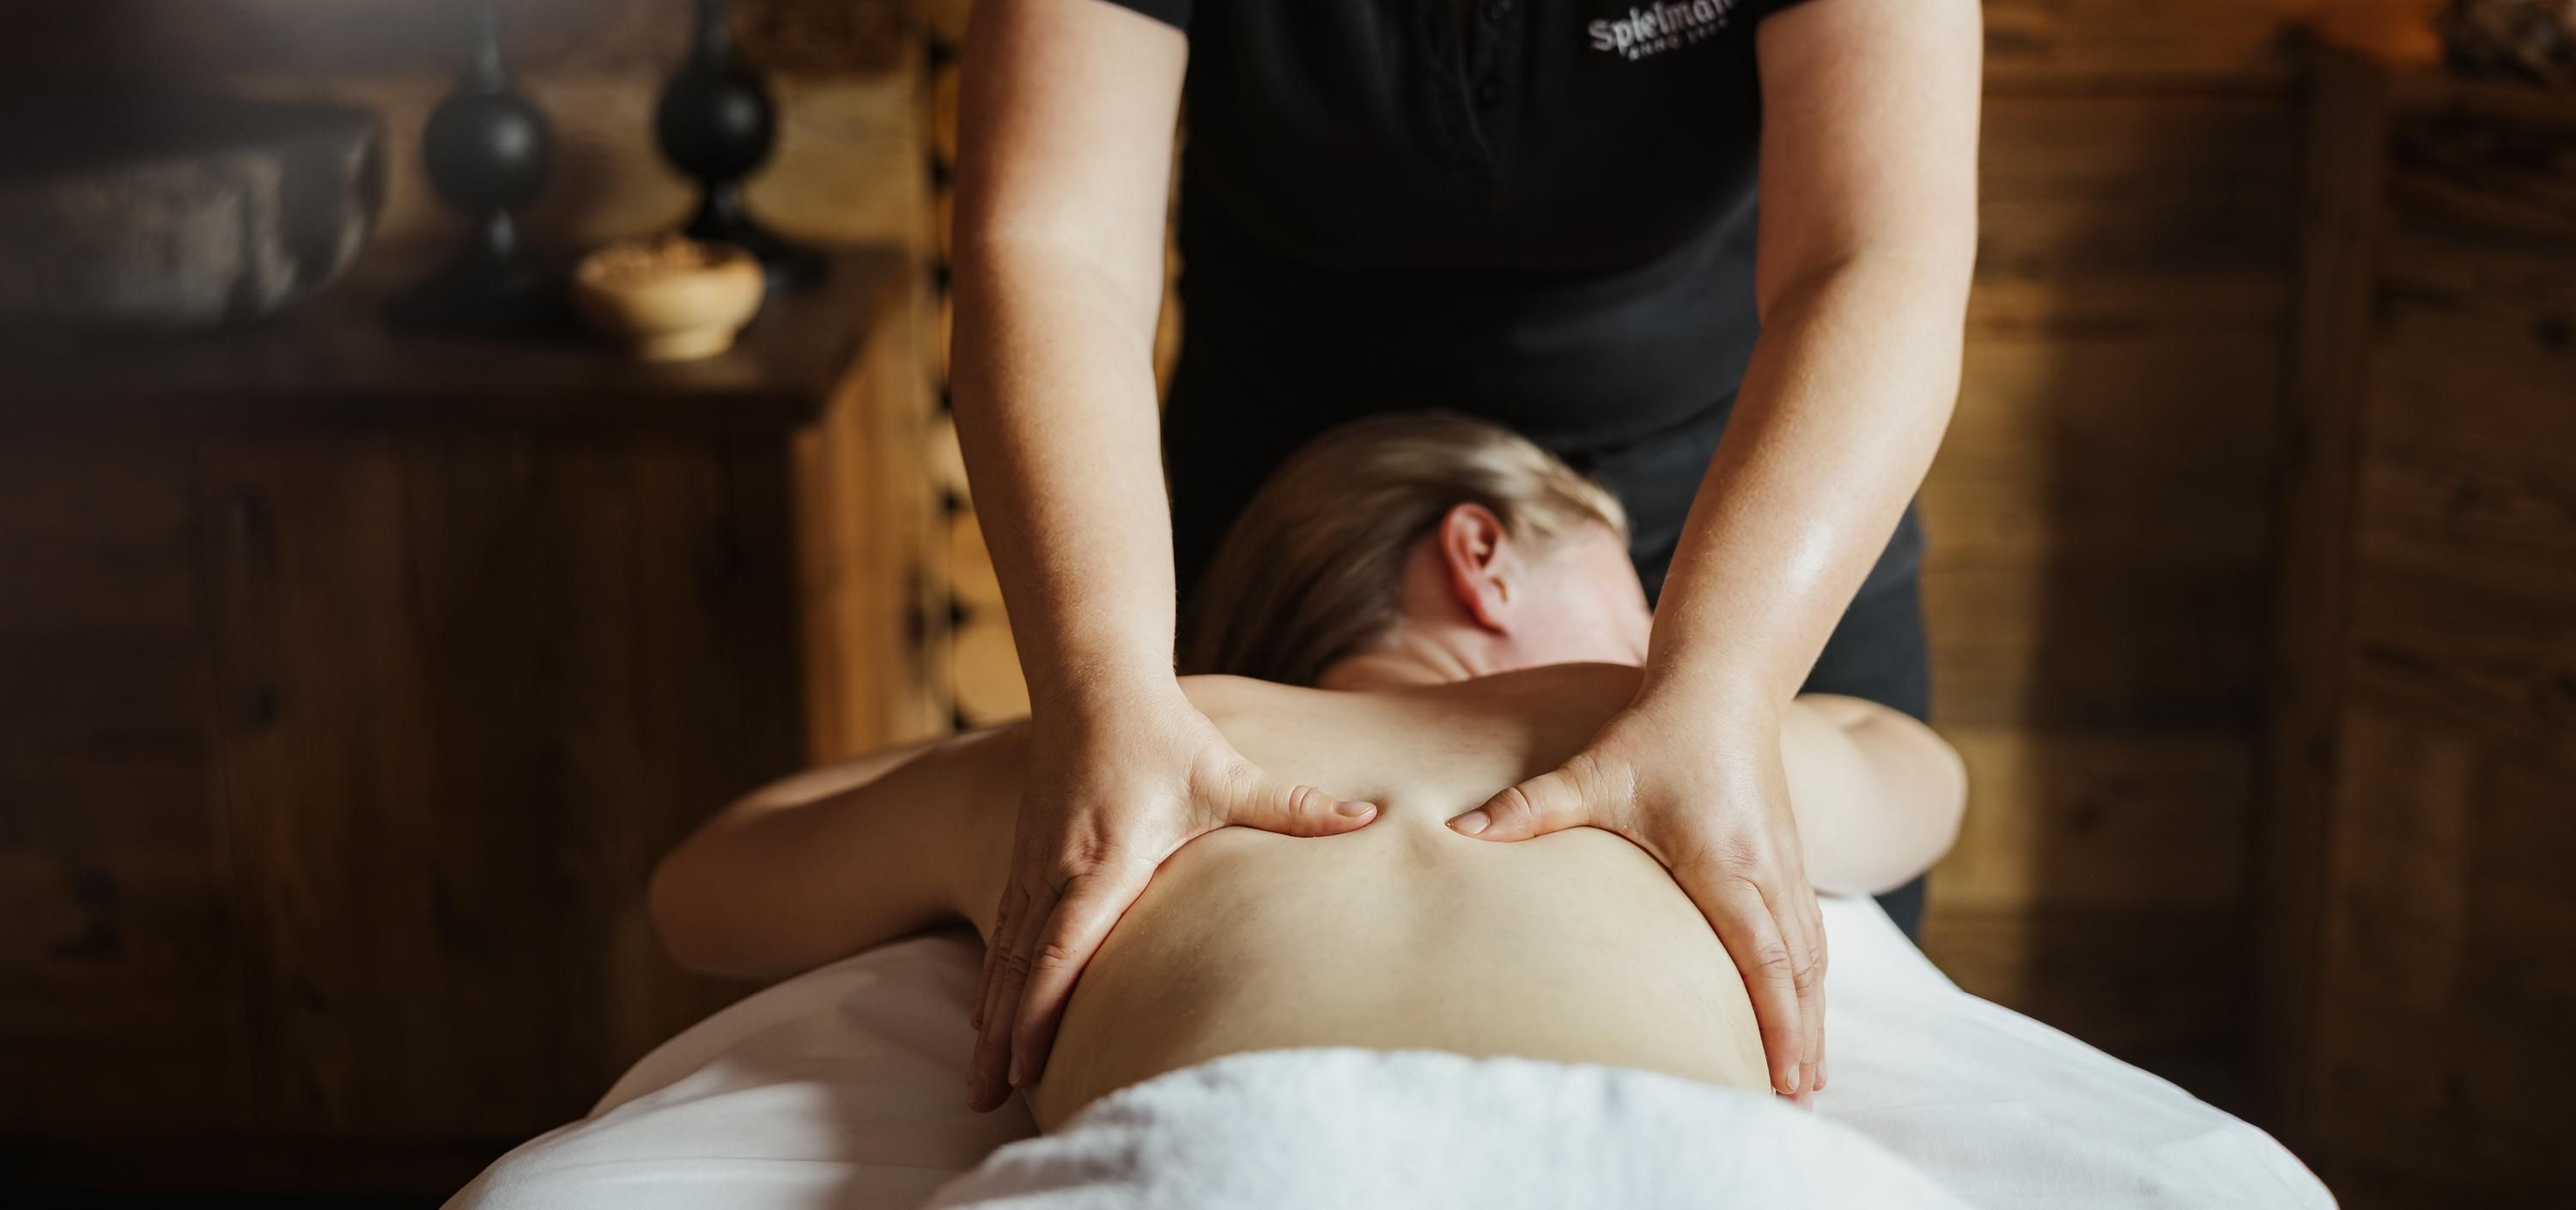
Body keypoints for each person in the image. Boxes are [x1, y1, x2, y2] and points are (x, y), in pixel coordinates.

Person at [948, 0, 1983, 1115]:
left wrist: (1714, 692)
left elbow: (1877, 258)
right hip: (1298, 541)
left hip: (1730, 514)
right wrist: (1104, 691)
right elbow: (1049, 252)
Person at [648, 416, 1967, 1124]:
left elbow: (707, 882)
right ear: (1480, 552)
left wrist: (1009, 741)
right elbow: (1918, 773)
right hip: (1659, 1158)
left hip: (1228, 1153)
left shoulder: (1116, 765)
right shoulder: (1651, 730)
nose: (1652, 642)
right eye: (1634, 602)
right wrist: (1711, 702)